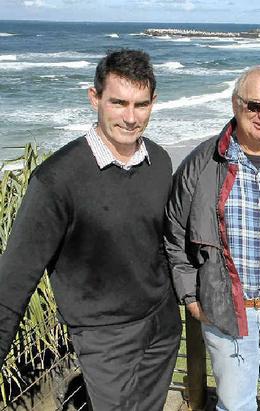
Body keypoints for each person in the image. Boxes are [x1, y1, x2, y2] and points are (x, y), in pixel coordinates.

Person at [0, 49, 181, 410]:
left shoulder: (159, 161)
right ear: (94, 98)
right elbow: (14, 280)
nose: (130, 118)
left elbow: (162, 241)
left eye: (141, 105)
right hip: (105, 340)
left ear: (154, 103)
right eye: (118, 103)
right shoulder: (56, 180)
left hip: (162, 327)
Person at [165, 66, 260, 411]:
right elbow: (175, 236)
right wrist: (191, 296)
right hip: (229, 315)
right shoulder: (201, 164)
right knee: (235, 406)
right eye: (255, 105)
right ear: (236, 104)